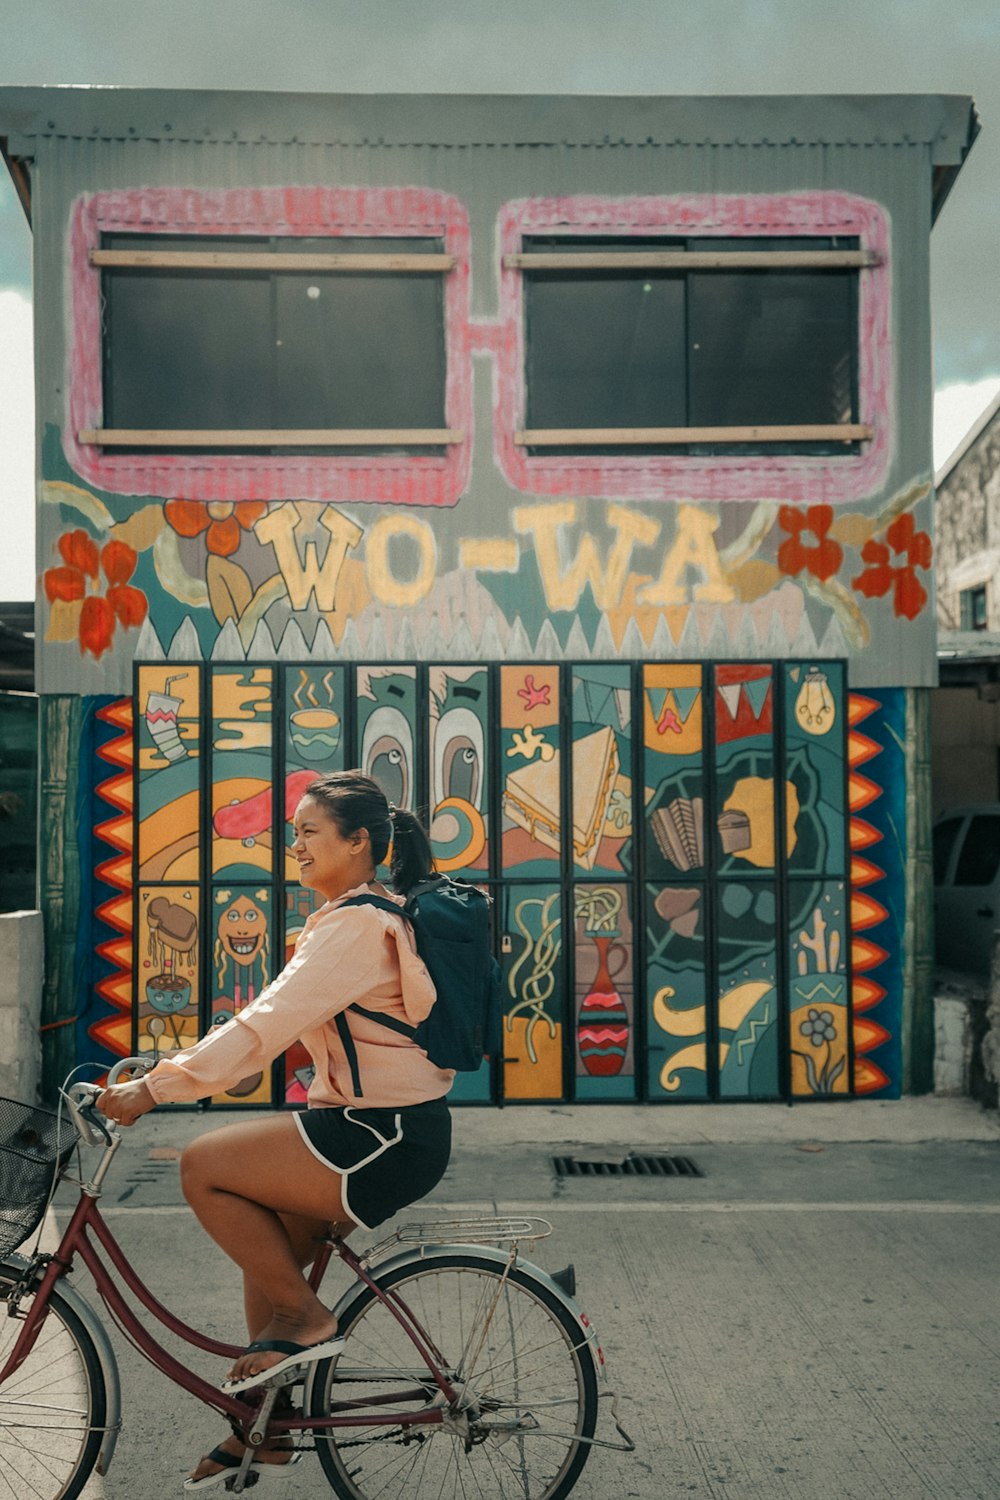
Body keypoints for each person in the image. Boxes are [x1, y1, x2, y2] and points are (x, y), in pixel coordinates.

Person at [97, 771, 453, 1492]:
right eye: (293, 833)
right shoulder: (353, 915)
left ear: (359, 844)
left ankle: (307, 1318)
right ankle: (264, 1432)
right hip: (367, 1126)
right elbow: (268, 1019)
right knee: (268, 1267)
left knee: (203, 1166)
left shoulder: (357, 926)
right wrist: (176, 1064)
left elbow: (263, 1027)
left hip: (379, 1136)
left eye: (308, 833)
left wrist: (155, 1090)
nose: (294, 846)